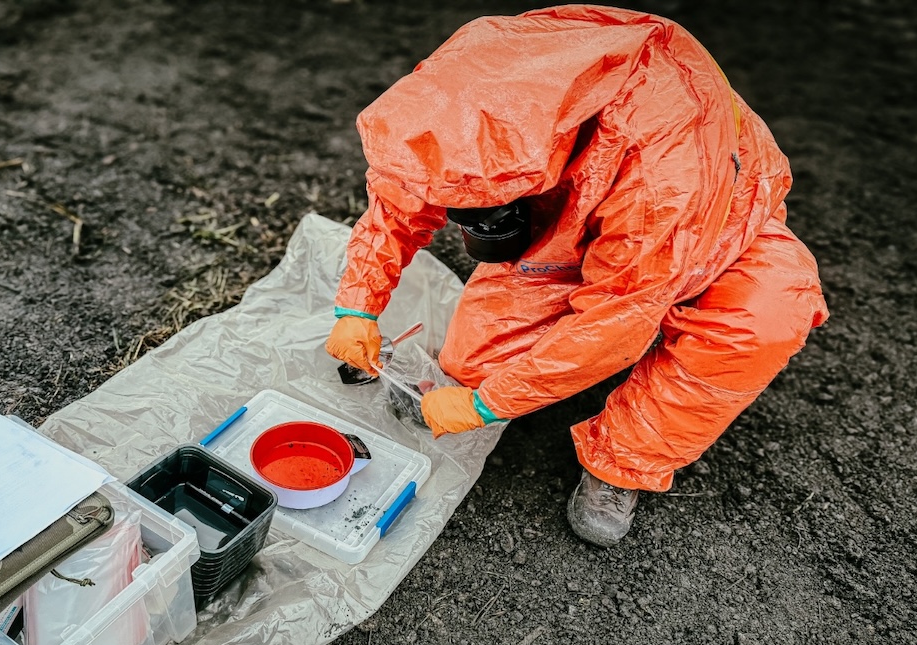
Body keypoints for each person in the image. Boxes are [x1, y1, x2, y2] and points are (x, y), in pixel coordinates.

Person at [324, 6, 829, 547]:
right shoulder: (469, 91)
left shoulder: (661, 174)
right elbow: (409, 186)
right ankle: (506, 365)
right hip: (579, 210)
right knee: (474, 363)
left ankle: (622, 462)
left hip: (715, 225)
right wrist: (359, 303)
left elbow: (618, 317)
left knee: (761, 319)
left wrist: (485, 406)